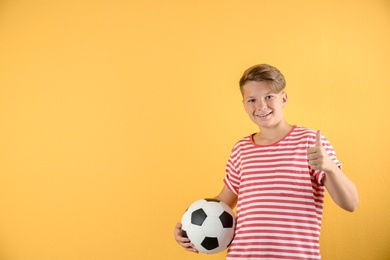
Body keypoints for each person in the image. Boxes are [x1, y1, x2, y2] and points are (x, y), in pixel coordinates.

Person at [174, 64, 359, 259]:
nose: (261, 106)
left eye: (269, 97)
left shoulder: (310, 143)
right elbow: (222, 204)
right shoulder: (241, 149)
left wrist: (330, 168)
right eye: (252, 100)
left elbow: (351, 203)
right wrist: (188, 229)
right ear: (244, 105)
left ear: (284, 98)